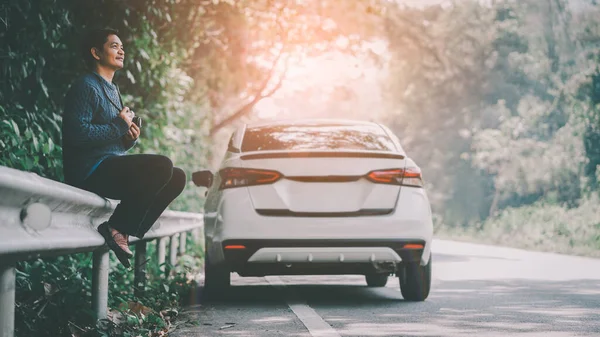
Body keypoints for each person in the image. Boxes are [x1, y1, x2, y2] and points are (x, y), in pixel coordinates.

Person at [62, 28, 186, 267]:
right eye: (114, 46)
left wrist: (128, 138)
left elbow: (112, 139)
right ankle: (117, 228)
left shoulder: (113, 90)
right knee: (162, 165)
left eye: (121, 46)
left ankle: (126, 230)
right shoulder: (86, 86)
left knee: (177, 176)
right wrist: (119, 124)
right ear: (96, 53)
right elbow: (77, 135)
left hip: (108, 167)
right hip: (89, 172)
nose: (121, 50)